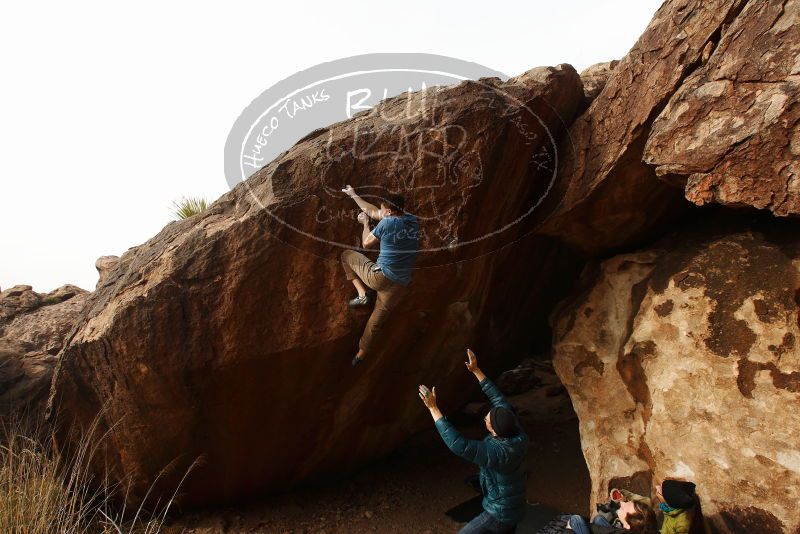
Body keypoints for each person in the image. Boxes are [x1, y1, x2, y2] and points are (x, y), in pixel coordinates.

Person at [418, 349, 529, 533]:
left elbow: (459, 445)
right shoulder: (515, 432)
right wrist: (476, 370)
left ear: (494, 430)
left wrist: (433, 408)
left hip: (500, 513)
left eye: (487, 419)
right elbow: (498, 399)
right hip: (515, 506)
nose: (485, 418)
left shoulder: (498, 453)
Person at [340, 185, 419, 367]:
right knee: (376, 321)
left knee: (346, 255)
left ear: (389, 211)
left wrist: (366, 224)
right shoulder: (412, 221)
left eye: (383, 208)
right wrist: (354, 195)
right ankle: (361, 354)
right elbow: (375, 212)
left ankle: (362, 295)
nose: (381, 211)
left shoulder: (388, 222)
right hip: (399, 285)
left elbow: (367, 243)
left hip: (380, 278)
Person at [563, 488, 658, 534]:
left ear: (627, 526)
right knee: (598, 519)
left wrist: (568, 530)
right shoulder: (640, 528)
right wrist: (623, 497)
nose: (622, 504)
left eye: (624, 508)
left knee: (575, 520)